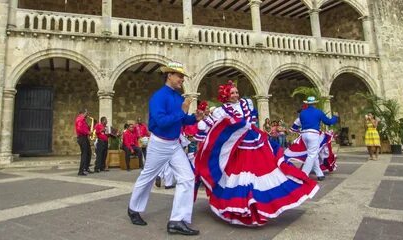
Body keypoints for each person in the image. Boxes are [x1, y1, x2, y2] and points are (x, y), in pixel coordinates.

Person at [194, 81, 319, 226]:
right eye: (232, 93)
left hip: (256, 143)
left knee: (265, 171)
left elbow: (252, 120)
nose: (235, 95)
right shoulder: (221, 111)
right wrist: (202, 123)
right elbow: (208, 125)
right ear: (226, 96)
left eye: (236, 92)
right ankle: (243, 207)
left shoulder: (246, 104)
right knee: (240, 176)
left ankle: (260, 204)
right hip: (238, 149)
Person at [127, 61, 204, 235]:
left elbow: (182, 120)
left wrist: (194, 117)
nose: (182, 79)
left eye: (183, 76)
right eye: (179, 76)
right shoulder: (159, 96)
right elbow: (161, 122)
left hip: (174, 144)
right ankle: (133, 209)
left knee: (187, 178)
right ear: (169, 75)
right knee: (148, 176)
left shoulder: (178, 97)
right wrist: (182, 111)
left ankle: (177, 220)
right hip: (159, 143)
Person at [299, 96, 339, 181]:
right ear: (314, 103)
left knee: (314, 154)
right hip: (313, 134)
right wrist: (335, 117)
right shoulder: (318, 112)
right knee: (312, 155)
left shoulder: (302, 113)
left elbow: (301, 123)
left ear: (307, 103)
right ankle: (303, 174)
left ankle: (319, 174)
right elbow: (328, 122)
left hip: (304, 134)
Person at [75, 109, 93, 176]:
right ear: (82, 113)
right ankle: (81, 171)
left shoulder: (83, 120)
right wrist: (88, 132)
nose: (87, 114)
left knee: (89, 153)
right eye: (86, 113)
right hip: (82, 138)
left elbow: (83, 128)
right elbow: (80, 129)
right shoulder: (80, 119)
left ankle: (86, 168)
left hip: (84, 138)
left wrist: (89, 128)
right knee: (84, 154)